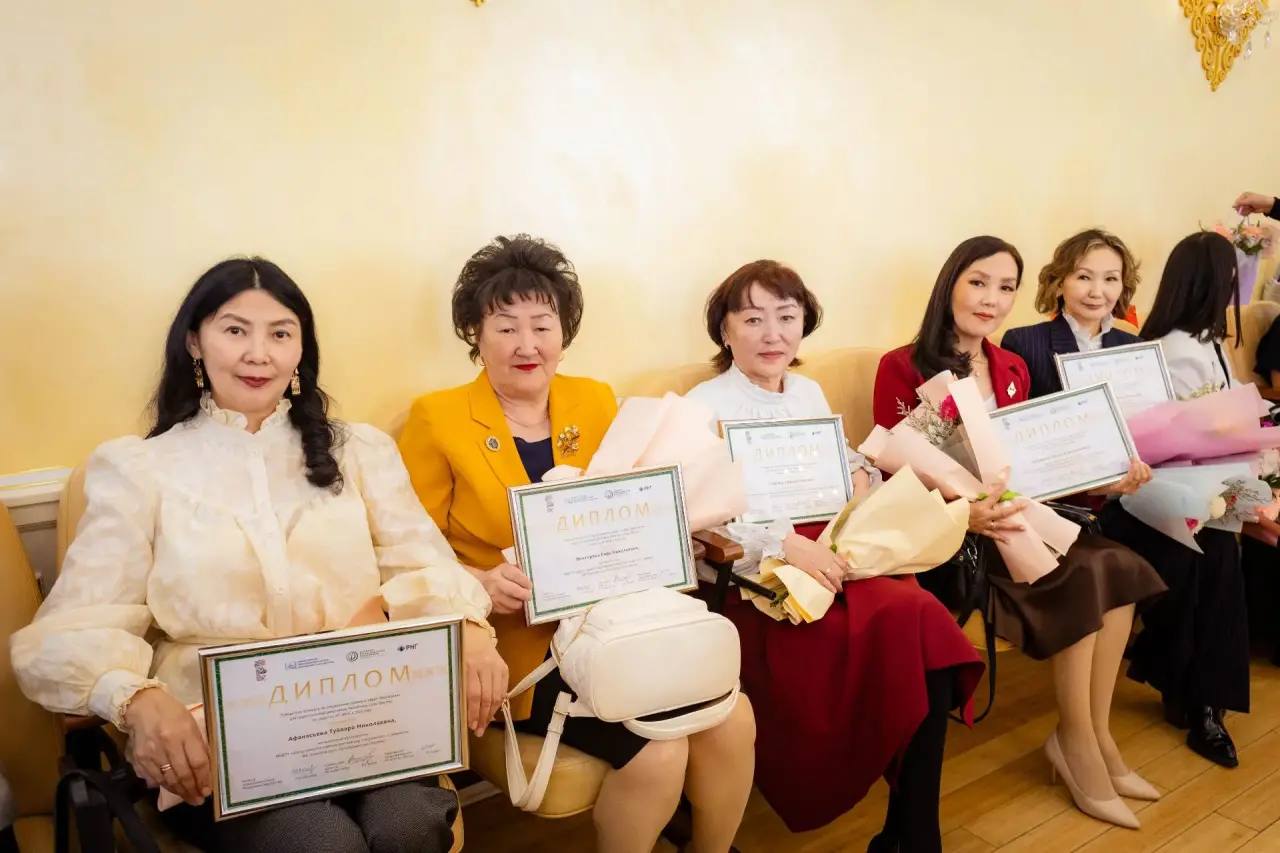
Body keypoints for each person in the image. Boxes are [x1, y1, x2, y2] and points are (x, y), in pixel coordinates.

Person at [10, 258, 504, 853]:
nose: (258, 354)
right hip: (225, 741)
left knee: (408, 826)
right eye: (234, 330)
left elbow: (422, 564)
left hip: (362, 714)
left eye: (280, 333)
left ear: (301, 349)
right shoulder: (140, 470)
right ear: (195, 342)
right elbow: (75, 625)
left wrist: (470, 628)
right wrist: (134, 698)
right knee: (321, 843)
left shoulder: (360, 452)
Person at [398, 235, 756, 853]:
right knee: (657, 752)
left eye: (543, 325)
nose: (527, 344)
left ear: (564, 332)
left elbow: (626, 503)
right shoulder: (437, 418)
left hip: (612, 620)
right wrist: (476, 584)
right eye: (506, 327)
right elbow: (409, 554)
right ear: (475, 334)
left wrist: (669, 531)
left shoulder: (593, 399)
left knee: (736, 717)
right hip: (515, 641)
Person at [684, 260, 984, 853]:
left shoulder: (807, 391)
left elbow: (840, 458)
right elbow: (696, 517)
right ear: (725, 330)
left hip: (839, 552)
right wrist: (783, 543)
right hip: (761, 578)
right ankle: (914, 836)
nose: (773, 334)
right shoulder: (702, 404)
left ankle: (911, 832)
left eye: (787, 318)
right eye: (753, 319)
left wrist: (863, 477)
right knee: (916, 623)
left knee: (927, 642)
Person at [873, 236, 1166, 830]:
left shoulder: (1012, 367)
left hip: (1016, 522)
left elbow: (1031, 468)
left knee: (1118, 568)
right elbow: (890, 477)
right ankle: (1076, 745)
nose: (992, 299)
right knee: (1084, 576)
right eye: (978, 283)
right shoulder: (901, 366)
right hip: (949, 539)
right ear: (949, 285)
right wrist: (965, 514)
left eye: (1005, 288)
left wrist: (1108, 479)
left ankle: (1097, 736)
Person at [1097, 231, 1252, 769]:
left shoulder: (1210, 342)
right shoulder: (1169, 348)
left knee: (1221, 549)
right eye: (1228, 278)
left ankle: (1192, 689)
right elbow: (1168, 436)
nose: (1233, 289)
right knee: (1210, 552)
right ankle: (1199, 696)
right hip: (1143, 493)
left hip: (1188, 487)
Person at [1001, 229, 1142, 398]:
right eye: (1084, 277)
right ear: (1059, 283)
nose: (1096, 293)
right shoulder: (1023, 343)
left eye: (1110, 279)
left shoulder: (1136, 348)